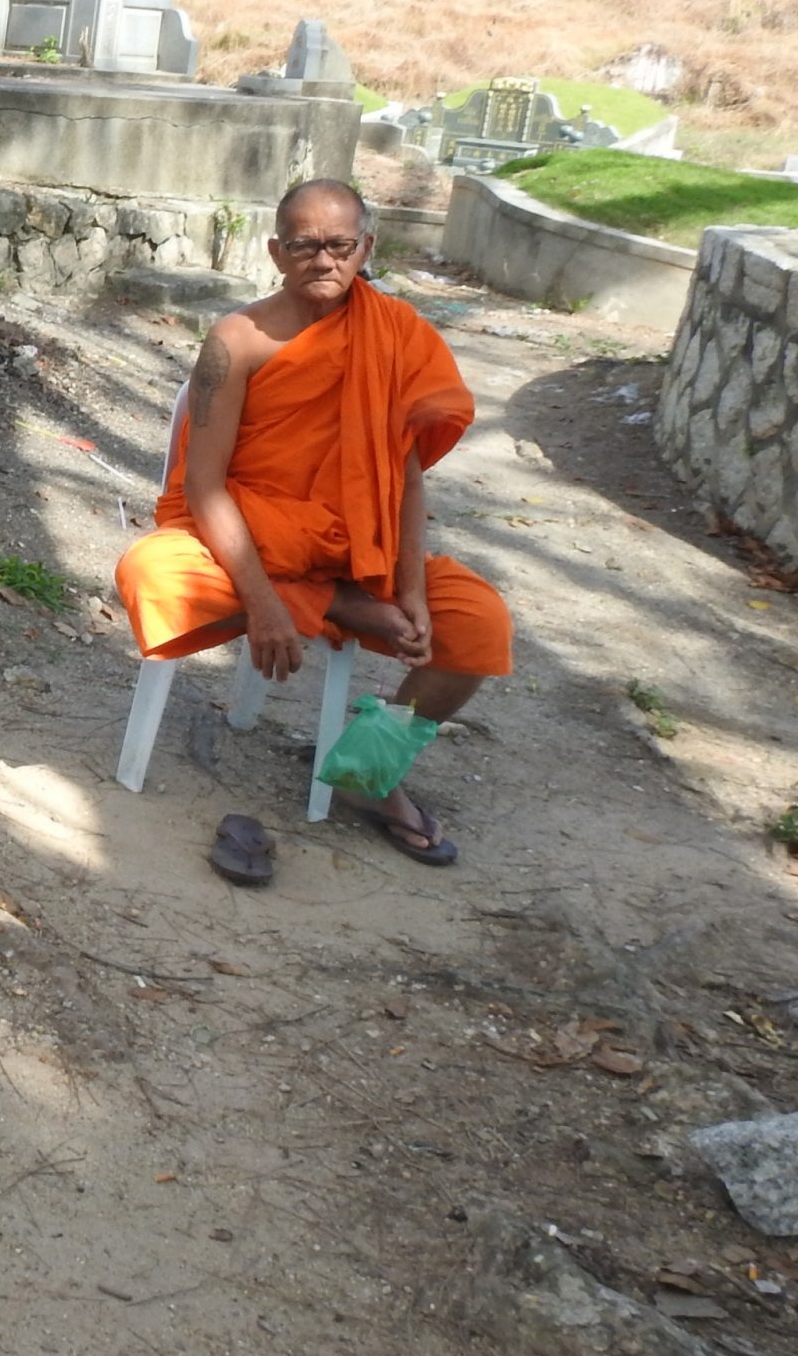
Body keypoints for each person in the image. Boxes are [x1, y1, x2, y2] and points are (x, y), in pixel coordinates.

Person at [113, 179, 512, 868]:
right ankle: (339, 608)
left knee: (477, 621)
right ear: (275, 251)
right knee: (150, 572)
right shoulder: (236, 341)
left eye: (339, 245)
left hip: (357, 550)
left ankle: (368, 772)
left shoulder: (397, 335)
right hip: (249, 540)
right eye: (303, 245)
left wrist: (411, 591)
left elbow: (407, 478)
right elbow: (204, 487)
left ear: (366, 247)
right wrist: (267, 603)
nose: (322, 260)